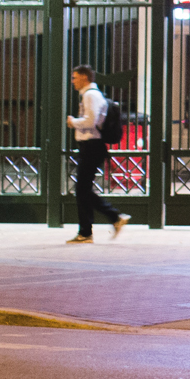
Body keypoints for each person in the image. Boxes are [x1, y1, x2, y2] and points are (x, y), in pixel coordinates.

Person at [65, 64, 129, 244]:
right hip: (92, 146)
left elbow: (91, 121)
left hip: (92, 145)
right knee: (83, 190)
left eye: (75, 77)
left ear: (84, 77)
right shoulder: (92, 95)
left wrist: (73, 122)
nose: (73, 81)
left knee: (82, 190)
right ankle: (95, 227)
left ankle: (96, 227)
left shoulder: (90, 95)